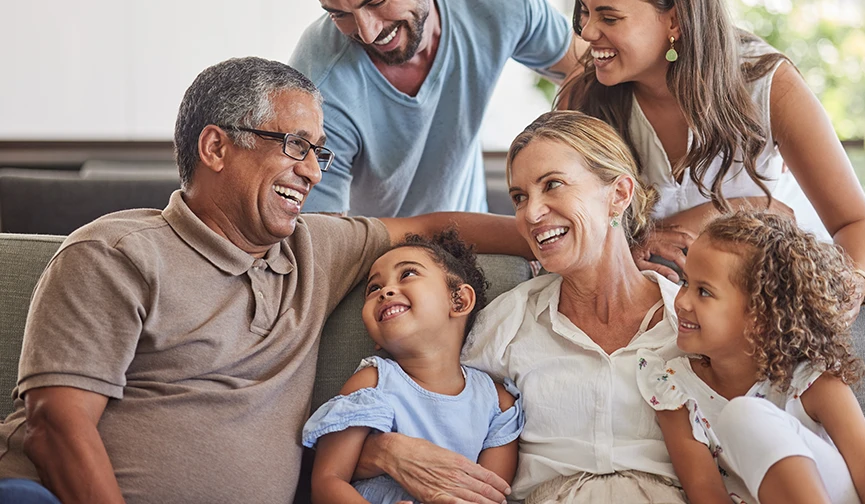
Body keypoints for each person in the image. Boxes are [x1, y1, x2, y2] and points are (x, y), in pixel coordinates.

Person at [0, 57, 529, 504]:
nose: (314, 172)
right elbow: (55, 428)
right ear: (215, 147)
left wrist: (559, 241)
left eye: (318, 152)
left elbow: (430, 228)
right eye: (296, 145)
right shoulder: (116, 254)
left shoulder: (316, 248)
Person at [350, 111, 688, 504]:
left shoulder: (688, 321)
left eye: (553, 185)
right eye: (519, 198)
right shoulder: (507, 323)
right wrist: (383, 450)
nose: (530, 213)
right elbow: (433, 415)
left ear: (619, 194)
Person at [558, 0, 865, 312]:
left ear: (675, 20)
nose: (587, 32)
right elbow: (567, 231)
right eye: (585, 12)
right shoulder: (584, 97)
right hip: (660, 313)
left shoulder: (767, 85)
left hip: (770, 301)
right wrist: (644, 239)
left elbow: (857, 224)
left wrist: (850, 289)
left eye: (609, 18)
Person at [288, 0, 584, 218]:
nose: (368, 32)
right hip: (376, 247)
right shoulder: (316, 88)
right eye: (339, 15)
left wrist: (565, 170)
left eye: (378, 0)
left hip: (476, 235)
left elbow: (584, 68)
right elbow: (323, 235)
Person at [637, 211, 865, 504]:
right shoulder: (674, 387)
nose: (681, 302)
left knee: (743, 416)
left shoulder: (810, 378)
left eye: (704, 292)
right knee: (740, 417)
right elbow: (706, 493)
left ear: (760, 316)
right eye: (685, 282)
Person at [304, 230, 523, 504]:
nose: (385, 291)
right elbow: (327, 482)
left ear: (459, 301)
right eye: (373, 288)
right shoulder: (372, 383)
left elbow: (489, 493)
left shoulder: (498, 403)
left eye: (407, 274)